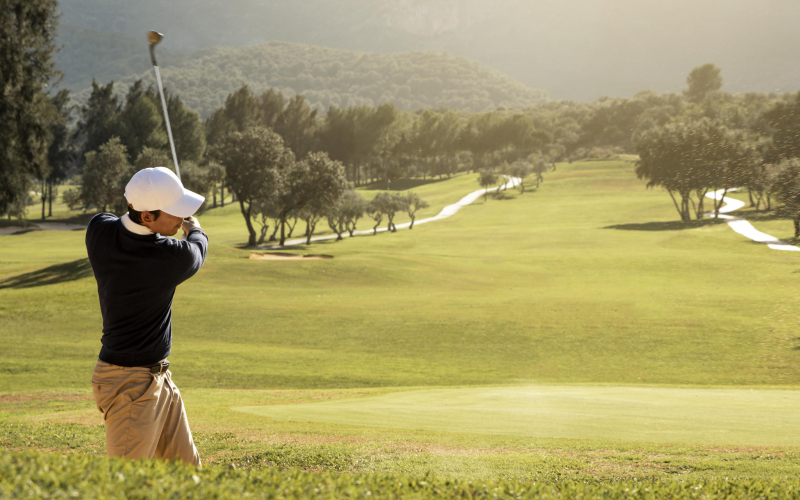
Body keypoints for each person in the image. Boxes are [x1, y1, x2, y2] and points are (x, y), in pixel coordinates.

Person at [85, 166, 208, 466]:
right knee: (126, 485)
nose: (180, 218)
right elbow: (198, 249)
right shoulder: (170, 259)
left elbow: (117, 221)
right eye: (174, 212)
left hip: (157, 378)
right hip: (129, 385)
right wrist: (195, 229)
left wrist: (154, 207)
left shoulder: (98, 231)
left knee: (188, 474)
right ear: (148, 216)